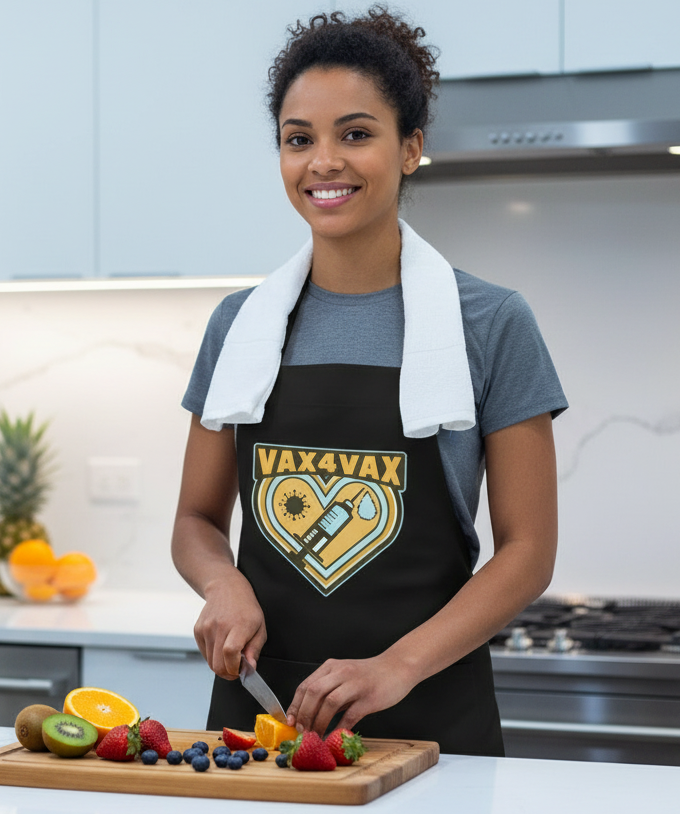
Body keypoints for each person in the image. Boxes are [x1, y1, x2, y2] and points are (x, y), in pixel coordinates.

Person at [171, 6, 567, 757]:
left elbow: (527, 552)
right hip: (261, 719)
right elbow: (194, 521)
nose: (323, 161)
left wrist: (396, 667)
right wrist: (223, 586)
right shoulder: (239, 324)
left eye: (356, 134)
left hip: (431, 717)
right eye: (298, 139)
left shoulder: (491, 323)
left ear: (411, 148)